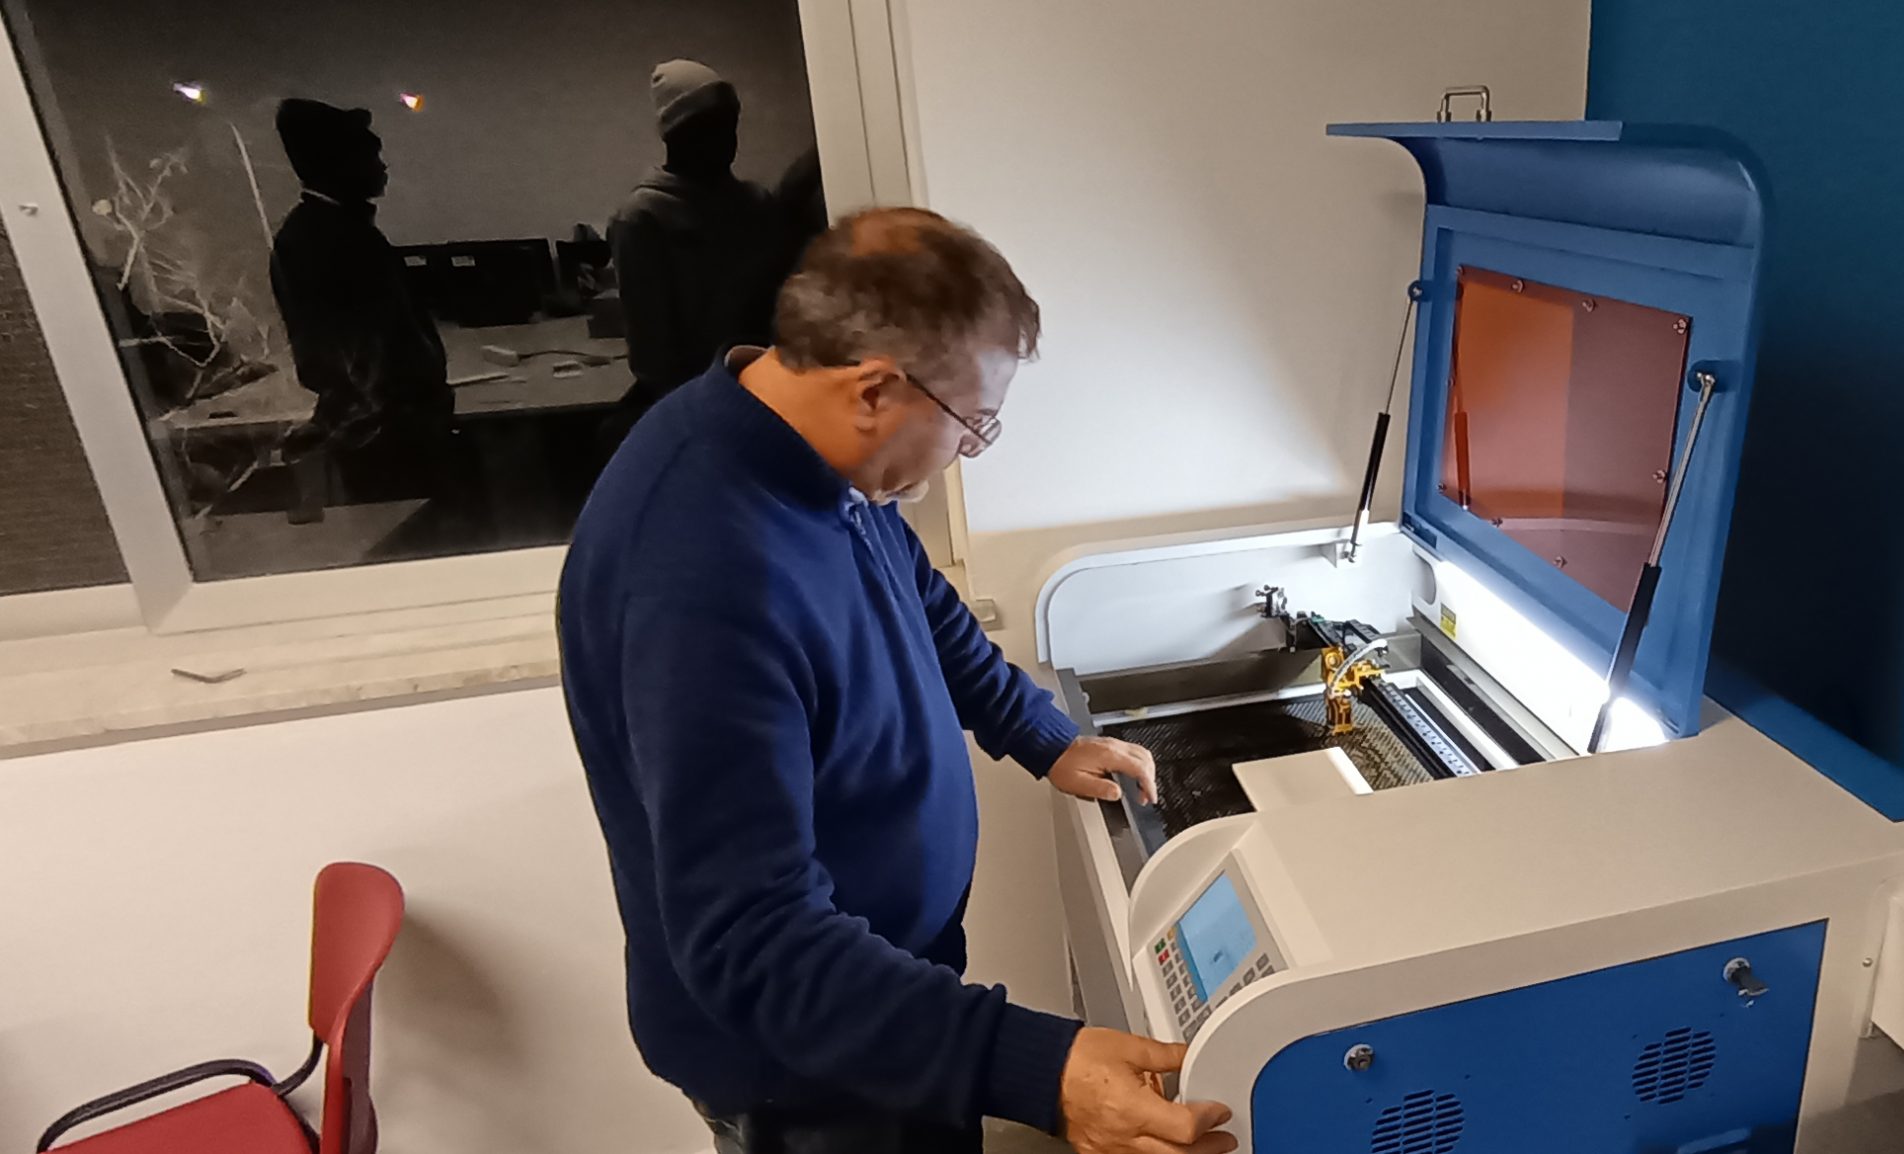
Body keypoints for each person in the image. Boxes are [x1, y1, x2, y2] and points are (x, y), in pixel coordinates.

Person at [557, 207, 1235, 1154]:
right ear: (875, 388)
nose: (964, 453)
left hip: (891, 999)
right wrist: (1033, 1066)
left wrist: (1035, 730)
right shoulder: (701, 574)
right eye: (973, 426)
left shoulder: (814, 457)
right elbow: (752, 940)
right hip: (809, 1066)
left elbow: (911, 589)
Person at [268, 97, 453, 517]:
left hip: (395, 423)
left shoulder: (341, 231)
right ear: (337, 164)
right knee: (405, 528)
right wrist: (393, 413)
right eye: (370, 156)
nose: (382, 167)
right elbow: (339, 355)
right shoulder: (320, 240)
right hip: (385, 433)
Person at [605, 60, 783, 443]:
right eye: (707, 129)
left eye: (729, 126)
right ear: (675, 135)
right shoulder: (643, 217)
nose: (725, 140)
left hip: (766, 388)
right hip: (696, 403)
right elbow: (652, 351)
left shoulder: (755, 203)